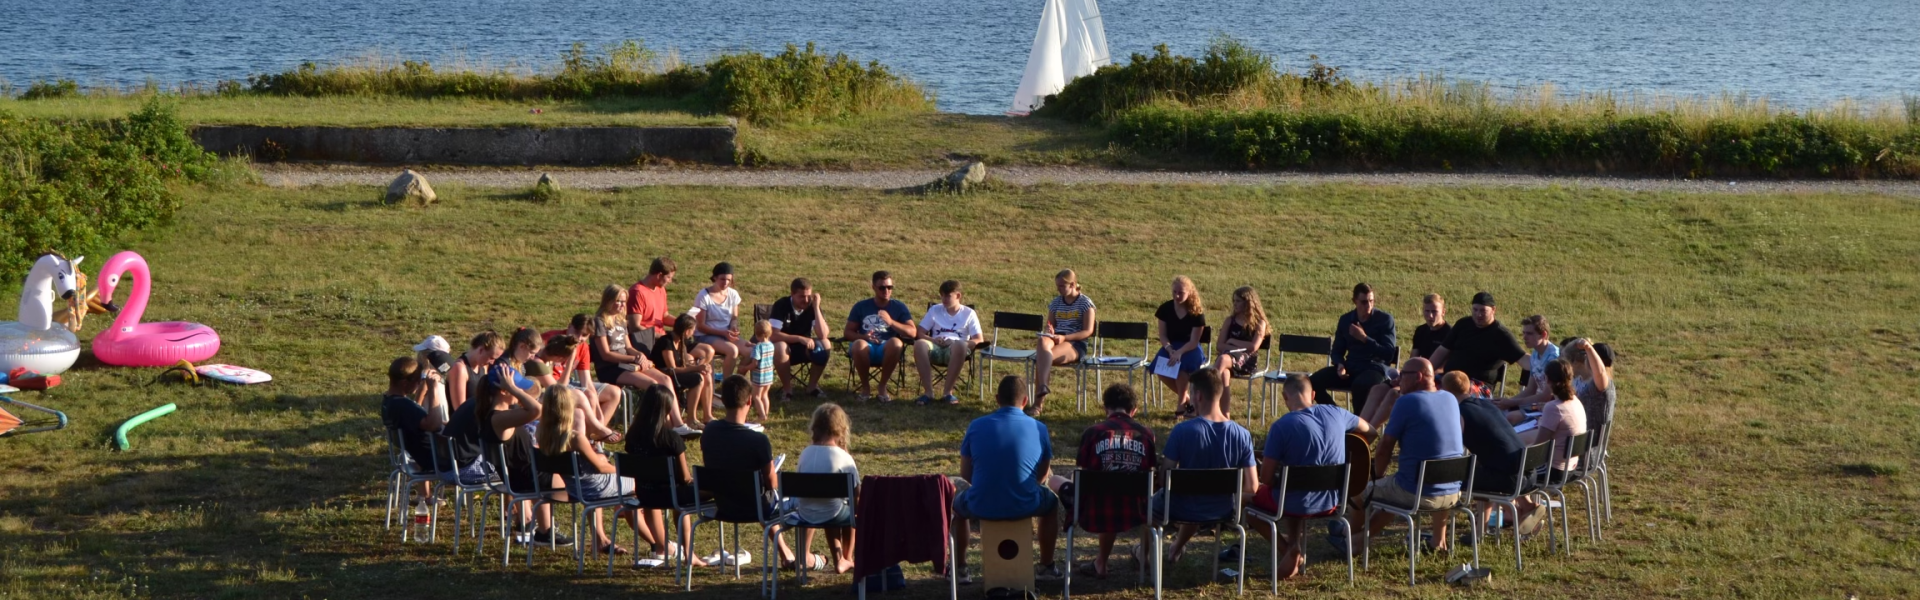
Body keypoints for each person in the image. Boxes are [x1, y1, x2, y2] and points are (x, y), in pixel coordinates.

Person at [1250, 376, 1370, 580]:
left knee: (1249, 506)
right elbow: (1370, 430)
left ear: (1284, 397)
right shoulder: (1337, 413)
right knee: (1293, 493)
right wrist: (1356, 451)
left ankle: (1287, 550)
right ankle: (1295, 545)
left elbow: (1267, 478)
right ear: (1313, 395)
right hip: (1332, 502)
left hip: (1291, 501)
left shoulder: (1281, 426)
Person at [950, 375, 1067, 583]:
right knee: (1051, 504)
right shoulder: (1039, 428)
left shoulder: (976, 426)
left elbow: (966, 475)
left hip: (980, 503)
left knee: (957, 508)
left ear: (997, 399)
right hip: (1026, 502)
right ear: (1025, 401)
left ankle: (960, 567)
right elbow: (1042, 475)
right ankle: (1046, 565)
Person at [1349, 358, 1464, 555]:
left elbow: (1385, 447)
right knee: (1397, 487)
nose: (1398, 380)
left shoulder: (1407, 402)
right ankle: (1361, 539)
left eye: (1403, 376)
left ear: (1418, 377)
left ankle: (1351, 541)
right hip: (1454, 490)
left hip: (1419, 492)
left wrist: (1377, 476)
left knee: (1360, 491)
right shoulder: (1450, 398)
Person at [1157, 368, 1258, 563]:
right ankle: (1176, 548)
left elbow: (1164, 478)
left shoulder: (1182, 431)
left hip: (1182, 506)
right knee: (1200, 499)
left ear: (1198, 395)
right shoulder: (1242, 434)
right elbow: (1252, 487)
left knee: (1148, 510)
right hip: (1224, 508)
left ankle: (1144, 556)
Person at [535, 384, 645, 557]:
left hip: (575, 487)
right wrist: (625, 470)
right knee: (639, 481)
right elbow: (601, 468)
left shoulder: (541, 432)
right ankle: (656, 541)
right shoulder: (575, 437)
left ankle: (601, 538)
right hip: (593, 488)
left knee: (596, 473)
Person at [700, 376, 797, 567]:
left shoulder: (709, 432)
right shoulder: (758, 441)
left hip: (723, 503)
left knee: (755, 491)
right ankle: (790, 556)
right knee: (767, 494)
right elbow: (772, 484)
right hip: (755, 507)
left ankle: (787, 554)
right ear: (750, 401)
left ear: (723, 400)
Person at [1071, 384, 1157, 578]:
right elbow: (1151, 469)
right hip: (1137, 509)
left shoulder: (1093, 433)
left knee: (1059, 481)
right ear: (1133, 410)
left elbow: (1083, 470)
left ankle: (1101, 563)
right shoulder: (1146, 434)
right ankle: (1142, 557)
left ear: (1105, 408)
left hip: (1097, 508)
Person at [473, 375, 570, 546]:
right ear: (504, 391)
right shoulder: (499, 418)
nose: (521, 392)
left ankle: (545, 531)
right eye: (516, 388)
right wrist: (513, 389)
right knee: (588, 483)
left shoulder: (495, 416)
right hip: (528, 479)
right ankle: (598, 540)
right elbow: (537, 410)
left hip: (527, 476)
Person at [625, 385, 707, 568]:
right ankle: (689, 555)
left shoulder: (632, 436)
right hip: (672, 495)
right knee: (684, 503)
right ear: (666, 410)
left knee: (656, 502)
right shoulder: (671, 438)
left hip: (645, 493)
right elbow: (684, 477)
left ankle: (662, 547)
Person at [1445, 371, 1525, 541]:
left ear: (1446, 391)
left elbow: (1452, 449)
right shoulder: (1486, 405)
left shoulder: (1459, 413)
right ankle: (1480, 530)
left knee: (1449, 478)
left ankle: (1442, 536)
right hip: (1526, 472)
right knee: (1480, 470)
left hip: (1508, 478)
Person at [1510, 359, 1587, 534]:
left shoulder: (1554, 407)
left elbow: (1538, 447)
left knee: (1506, 467)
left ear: (1546, 380)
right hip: (1570, 465)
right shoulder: (1575, 401)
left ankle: (1518, 511)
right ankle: (1524, 509)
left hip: (1553, 470)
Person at [1308, 283, 1397, 416]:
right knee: (1312, 382)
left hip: (1374, 368)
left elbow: (1388, 353)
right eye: (1364, 302)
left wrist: (1365, 339)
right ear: (1355, 301)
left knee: (1360, 385)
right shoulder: (1346, 320)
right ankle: (1337, 416)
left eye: (1371, 301)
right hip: (1351, 366)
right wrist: (1340, 364)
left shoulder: (1384, 320)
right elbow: (1337, 350)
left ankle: (1358, 427)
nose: (1368, 305)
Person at [791, 403, 860, 574]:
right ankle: (846, 558)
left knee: (828, 502)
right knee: (849, 509)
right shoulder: (844, 458)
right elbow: (857, 496)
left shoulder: (805, 453)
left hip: (805, 513)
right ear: (840, 428)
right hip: (832, 512)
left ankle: (834, 559)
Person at [591, 285, 676, 400]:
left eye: (624, 301)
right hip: (610, 368)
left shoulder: (621, 321)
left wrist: (639, 355)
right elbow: (606, 354)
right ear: (609, 300)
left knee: (665, 380)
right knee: (652, 384)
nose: (622, 304)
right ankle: (654, 416)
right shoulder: (599, 322)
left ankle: (675, 418)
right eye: (618, 301)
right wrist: (634, 359)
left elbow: (629, 347)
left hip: (627, 364)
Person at [1032, 269, 1096, 416]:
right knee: (1043, 341)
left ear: (1072, 284)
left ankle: (1037, 404)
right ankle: (1042, 387)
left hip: (1075, 342)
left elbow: (1088, 331)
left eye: (1062, 286)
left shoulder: (1085, 303)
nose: (1058, 289)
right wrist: (1050, 330)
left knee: (1042, 358)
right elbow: (1051, 324)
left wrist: (1064, 338)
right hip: (1056, 339)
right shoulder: (1055, 303)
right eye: (1057, 286)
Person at [844, 270, 915, 402]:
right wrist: (864, 337)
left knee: (896, 343)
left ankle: (882, 386)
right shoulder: (861, 306)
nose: (886, 291)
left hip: (886, 348)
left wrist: (891, 322)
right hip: (867, 347)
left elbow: (912, 332)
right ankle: (865, 388)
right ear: (873, 287)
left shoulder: (899, 307)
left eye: (889, 287)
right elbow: (848, 332)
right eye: (882, 287)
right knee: (859, 344)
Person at [1430, 291, 1525, 389]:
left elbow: (1522, 358)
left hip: (1478, 385)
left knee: (1453, 393)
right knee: (1422, 387)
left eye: (1483, 311)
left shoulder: (1501, 334)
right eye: (1475, 310)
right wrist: (1426, 372)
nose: (1478, 315)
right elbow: (1442, 350)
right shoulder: (1462, 324)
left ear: (1493, 310)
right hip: (1450, 378)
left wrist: (1541, 361)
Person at [381, 357, 441, 504]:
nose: (420, 383)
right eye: (417, 381)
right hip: (436, 460)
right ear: (404, 383)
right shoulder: (404, 406)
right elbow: (433, 424)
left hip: (418, 455)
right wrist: (433, 389)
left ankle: (425, 494)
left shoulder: (388, 402)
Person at [913, 280, 982, 406]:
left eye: (948, 296)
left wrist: (958, 342)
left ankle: (947, 393)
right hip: (936, 346)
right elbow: (920, 333)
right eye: (942, 295)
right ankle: (928, 392)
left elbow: (978, 340)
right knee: (919, 344)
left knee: (960, 345)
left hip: (957, 350)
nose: (944, 299)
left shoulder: (969, 313)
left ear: (958, 296)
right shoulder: (935, 310)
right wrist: (933, 340)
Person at [769, 278, 832, 400]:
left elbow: (823, 334)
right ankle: (787, 390)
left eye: (809, 296)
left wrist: (816, 307)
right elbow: (773, 335)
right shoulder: (781, 305)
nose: (806, 300)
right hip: (782, 350)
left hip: (804, 348)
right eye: (802, 296)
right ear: (792, 294)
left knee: (825, 343)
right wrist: (799, 338)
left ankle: (812, 387)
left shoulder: (811, 306)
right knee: (781, 346)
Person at [1154, 276, 1209, 415]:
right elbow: (1163, 335)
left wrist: (1179, 352)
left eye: (1181, 292)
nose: (1177, 295)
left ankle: (1180, 407)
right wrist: (1170, 349)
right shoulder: (1165, 309)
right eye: (1174, 292)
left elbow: (1194, 341)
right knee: (1160, 368)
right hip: (1171, 346)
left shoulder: (1196, 312)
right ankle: (1186, 399)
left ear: (1189, 292)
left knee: (1181, 367)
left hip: (1190, 348)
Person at [1214, 285, 1270, 418]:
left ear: (1248, 303)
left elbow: (1253, 347)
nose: (1235, 304)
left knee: (1221, 360)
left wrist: (1233, 341)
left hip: (1247, 361)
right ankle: (1224, 416)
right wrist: (1232, 348)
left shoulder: (1259, 323)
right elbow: (1219, 345)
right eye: (1234, 301)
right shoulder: (1229, 321)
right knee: (1224, 375)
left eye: (1238, 301)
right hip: (1229, 358)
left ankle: (1207, 394)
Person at [654, 314, 715, 432]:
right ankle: (691, 419)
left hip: (675, 373)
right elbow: (672, 369)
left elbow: (684, 364)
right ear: (686, 331)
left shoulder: (681, 341)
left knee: (705, 375)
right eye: (692, 330)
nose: (693, 332)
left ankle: (707, 415)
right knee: (697, 379)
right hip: (664, 376)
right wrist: (696, 368)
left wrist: (701, 366)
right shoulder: (666, 342)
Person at [689, 262, 744, 376]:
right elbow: (700, 326)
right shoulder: (704, 296)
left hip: (726, 334)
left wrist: (733, 326)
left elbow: (734, 317)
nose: (726, 283)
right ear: (715, 278)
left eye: (729, 279)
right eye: (722, 279)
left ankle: (738, 382)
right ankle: (726, 385)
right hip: (705, 335)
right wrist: (723, 333)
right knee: (732, 350)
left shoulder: (733, 294)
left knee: (752, 351)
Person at [1497, 315, 1560, 412]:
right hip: (1537, 404)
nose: (1524, 337)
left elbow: (1546, 396)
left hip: (1552, 407)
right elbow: (1531, 390)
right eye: (1524, 333)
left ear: (1543, 334)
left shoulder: (1554, 358)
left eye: (1529, 334)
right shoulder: (1535, 355)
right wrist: (1504, 402)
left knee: (1510, 417)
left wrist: (1512, 403)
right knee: (1500, 412)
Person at [1564, 338, 1616, 432]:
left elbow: (1600, 373)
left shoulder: (1602, 385)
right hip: (1576, 434)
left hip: (1590, 442)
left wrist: (1588, 348)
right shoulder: (1579, 380)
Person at [627, 257, 676, 356]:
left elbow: (664, 316)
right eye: (669, 277)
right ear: (659, 275)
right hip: (646, 342)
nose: (670, 281)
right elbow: (634, 326)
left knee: (695, 352)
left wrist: (681, 323)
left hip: (661, 339)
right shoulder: (637, 292)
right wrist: (659, 336)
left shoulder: (660, 289)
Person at [445, 331, 504, 413]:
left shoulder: (483, 366)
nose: (492, 362)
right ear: (480, 350)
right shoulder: (460, 369)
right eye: (491, 357)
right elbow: (460, 410)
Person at [747, 318, 776, 425]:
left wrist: (745, 368)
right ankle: (766, 414)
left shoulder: (757, 348)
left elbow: (755, 363)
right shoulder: (771, 345)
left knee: (756, 396)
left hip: (759, 376)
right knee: (765, 395)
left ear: (757, 334)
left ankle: (762, 415)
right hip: (769, 376)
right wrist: (752, 345)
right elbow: (763, 348)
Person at [1410, 294, 1450, 360]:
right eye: (1427, 311)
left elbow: (1448, 362)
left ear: (1443, 312)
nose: (1430, 316)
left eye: (1434, 311)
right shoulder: (1420, 331)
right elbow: (1413, 359)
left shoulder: (1450, 333)